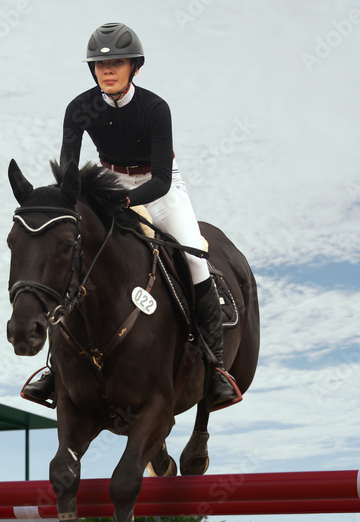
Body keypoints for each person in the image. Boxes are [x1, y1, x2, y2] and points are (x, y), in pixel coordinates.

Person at [22, 22, 240, 410]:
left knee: (193, 256)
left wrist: (126, 203)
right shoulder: (79, 109)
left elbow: (158, 180)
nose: (106, 71)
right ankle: (55, 368)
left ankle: (215, 368)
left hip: (161, 191)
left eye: (116, 63)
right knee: (78, 258)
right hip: (110, 183)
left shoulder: (155, 108)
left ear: (133, 67)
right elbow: (70, 176)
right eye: (99, 65)